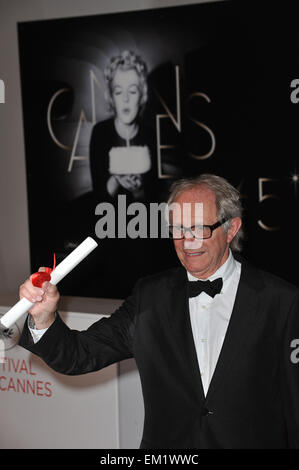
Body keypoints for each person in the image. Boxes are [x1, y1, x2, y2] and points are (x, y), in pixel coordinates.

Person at [19, 174, 299, 449]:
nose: (187, 242)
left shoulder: (281, 302)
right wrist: (44, 316)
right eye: (178, 228)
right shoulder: (150, 296)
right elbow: (79, 356)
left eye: (200, 228)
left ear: (231, 229)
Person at [90, 50, 156, 204]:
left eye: (132, 91)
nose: (125, 99)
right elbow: (97, 202)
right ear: (112, 98)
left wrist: (138, 191)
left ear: (142, 95)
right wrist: (115, 180)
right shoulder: (100, 133)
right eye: (119, 92)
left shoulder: (150, 135)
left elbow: (153, 202)